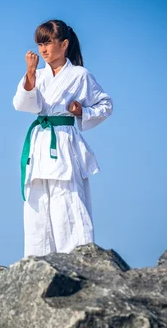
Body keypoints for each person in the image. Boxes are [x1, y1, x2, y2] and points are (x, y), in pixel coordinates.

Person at [13, 19, 113, 257]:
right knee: (37, 206)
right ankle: (38, 264)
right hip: (40, 143)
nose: (43, 49)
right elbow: (21, 104)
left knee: (67, 202)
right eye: (39, 44)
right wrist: (29, 74)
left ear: (64, 44)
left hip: (65, 143)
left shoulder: (80, 75)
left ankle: (78, 259)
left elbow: (106, 104)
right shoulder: (37, 75)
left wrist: (82, 111)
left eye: (48, 42)